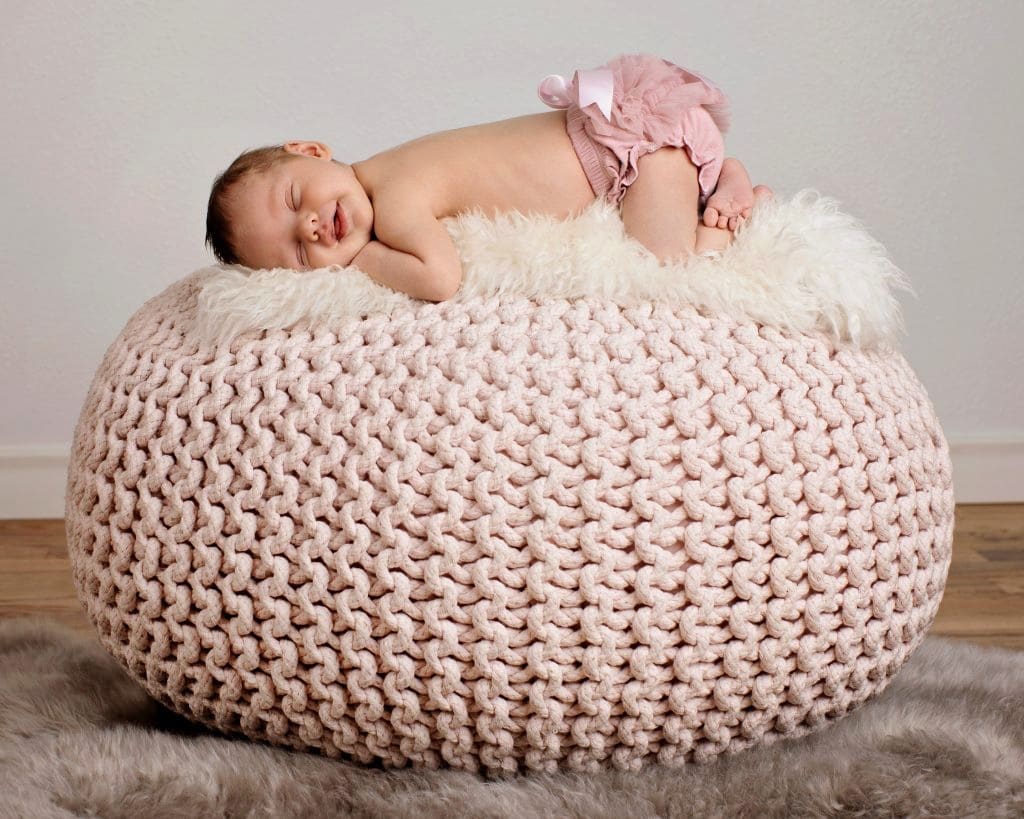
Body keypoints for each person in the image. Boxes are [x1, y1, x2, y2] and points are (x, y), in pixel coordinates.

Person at [205, 53, 772, 302]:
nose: (308, 229)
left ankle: (730, 199)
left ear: (311, 150)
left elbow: (440, 279)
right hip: (626, 144)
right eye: (299, 257)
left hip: (638, 150)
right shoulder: (387, 165)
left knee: (670, 265)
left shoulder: (397, 199)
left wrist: (359, 260)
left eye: (294, 198)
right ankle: (717, 175)